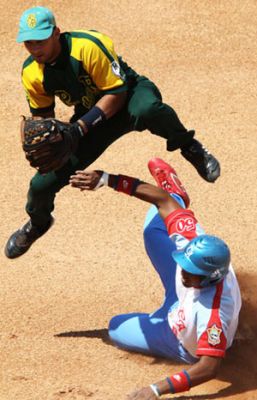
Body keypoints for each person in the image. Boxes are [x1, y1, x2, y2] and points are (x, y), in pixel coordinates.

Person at [5, 6, 220, 259]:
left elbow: (116, 94)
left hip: (127, 97)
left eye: (40, 41)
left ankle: (189, 145)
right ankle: (38, 223)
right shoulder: (32, 72)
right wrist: (46, 140)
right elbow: (43, 118)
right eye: (29, 42)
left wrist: (80, 128)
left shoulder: (88, 46)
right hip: (89, 117)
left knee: (149, 109)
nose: (35, 48)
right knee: (41, 184)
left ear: (56, 33)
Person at [69, 158, 241, 399]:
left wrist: (156, 389)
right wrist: (107, 179)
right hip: (180, 298)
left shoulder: (213, 315)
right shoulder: (194, 243)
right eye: (185, 263)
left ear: (209, 278)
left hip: (175, 338)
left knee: (116, 327)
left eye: (190, 270)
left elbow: (209, 367)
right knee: (154, 228)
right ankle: (181, 195)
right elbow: (162, 200)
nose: (182, 270)